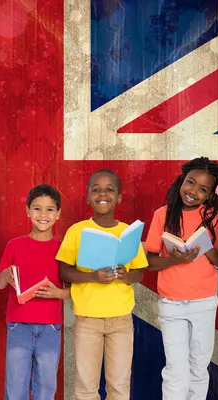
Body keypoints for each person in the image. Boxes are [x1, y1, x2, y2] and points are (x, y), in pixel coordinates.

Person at [57, 169, 148, 400]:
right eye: (96, 189)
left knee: (119, 385)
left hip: (121, 320)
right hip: (87, 320)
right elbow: (64, 271)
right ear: (87, 197)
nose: (102, 194)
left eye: (109, 189)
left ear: (118, 197)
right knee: (85, 386)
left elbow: (139, 273)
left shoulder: (128, 232)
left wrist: (126, 275)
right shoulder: (77, 231)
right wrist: (93, 277)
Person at [144, 157, 218, 399]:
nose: (194, 192)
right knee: (176, 369)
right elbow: (149, 261)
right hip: (172, 303)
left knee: (199, 367)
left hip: (204, 302)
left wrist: (205, 246)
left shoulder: (212, 216)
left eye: (203, 189)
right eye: (190, 183)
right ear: (182, 180)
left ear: (211, 194)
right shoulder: (163, 214)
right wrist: (175, 259)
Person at [0, 184, 70, 399]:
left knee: (46, 386)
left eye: (49, 209)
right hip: (18, 325)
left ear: (58, 214)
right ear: (28, 211)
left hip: (50, 328)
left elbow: (74, 290)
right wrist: (6, 275)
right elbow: (0, 283)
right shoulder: (14, 246)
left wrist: (57, 293)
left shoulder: (63, 248)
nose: (43, 214)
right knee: (15, 384)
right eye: (37, 208)